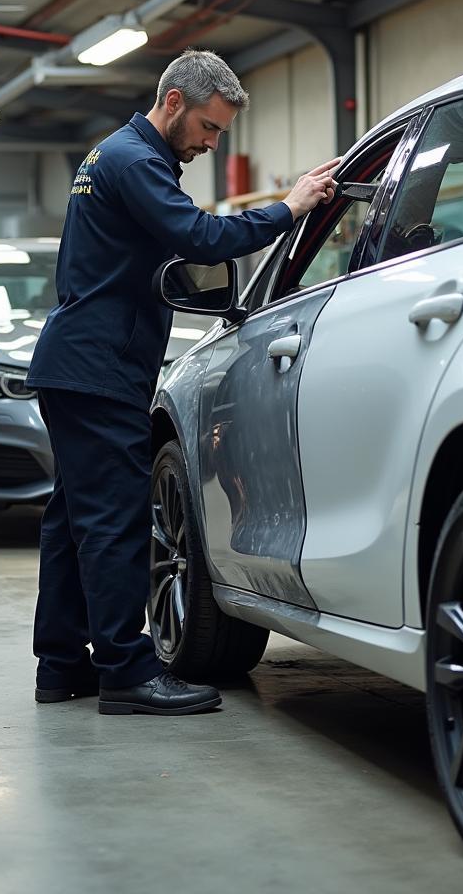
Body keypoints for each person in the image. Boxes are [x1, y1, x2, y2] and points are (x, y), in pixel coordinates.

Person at [26, 48, 339, 716]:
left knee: (73, 521)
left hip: (76, 363)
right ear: (173, 102)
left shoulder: (112, 156)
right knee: (112, 523)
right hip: (100, 366)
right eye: (207, 126)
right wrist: (288, 208)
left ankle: (61, 664)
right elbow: (197, 236)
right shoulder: (136, 160)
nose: (210, 142)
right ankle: (126, 672)